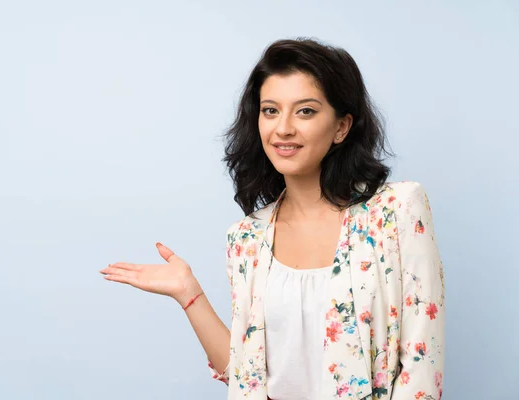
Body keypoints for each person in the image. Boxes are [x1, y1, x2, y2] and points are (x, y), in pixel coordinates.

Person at [99, 38, 445, 400]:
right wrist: (189, 293)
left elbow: (422, 366)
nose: (283, 128)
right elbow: (244, 375)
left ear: (342, 127)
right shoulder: (247, 238)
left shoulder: (397, 210)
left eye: (305, 111)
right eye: (270, 110)